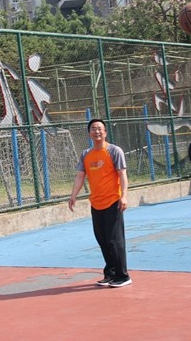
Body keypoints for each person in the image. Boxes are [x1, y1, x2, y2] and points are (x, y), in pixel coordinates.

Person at [68, 119, 131, 288]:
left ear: (105, 132)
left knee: (114, 240)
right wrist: (73, 195)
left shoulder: (114, 151)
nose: (96, 131)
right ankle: (110, 273)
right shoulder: (86, 154)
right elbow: (80, 176)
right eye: (93, 129)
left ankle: (123, 276)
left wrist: (124, 196)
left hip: (113, 201)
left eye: (99, 129)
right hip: (96, 203)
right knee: (102, 239)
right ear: (89, 133)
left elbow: (122, 175)